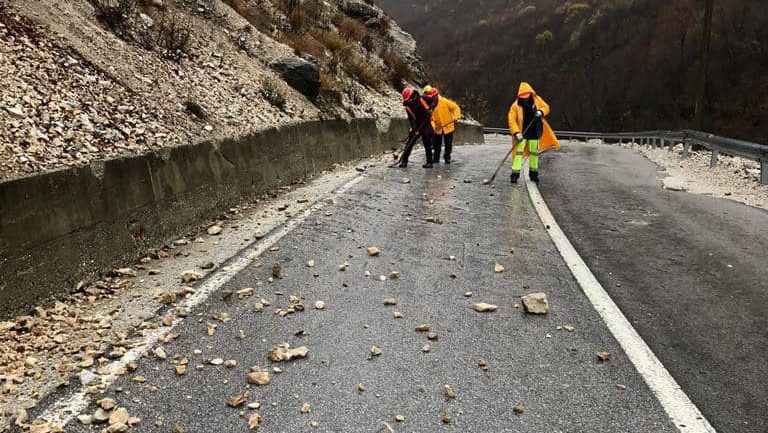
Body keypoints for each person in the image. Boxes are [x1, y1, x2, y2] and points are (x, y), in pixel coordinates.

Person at [507, 82, 559, 183]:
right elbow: (511, 120)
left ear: (531, 94)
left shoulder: (537, 100)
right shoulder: (515, 106)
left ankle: (533, 174)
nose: (525, 98)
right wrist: (516, 132)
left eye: (526, 96)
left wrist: (541, 112)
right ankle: (515, 175)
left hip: (535, 132)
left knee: (534, 154)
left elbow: (546, 107)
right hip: (522, 134)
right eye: (523, 97)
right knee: (518, 154)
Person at [399, 88, 435, 168]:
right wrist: (414, 129)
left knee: (427, 143)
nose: (409, 101)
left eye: (409, 99)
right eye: (407, 100)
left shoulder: (423, 98)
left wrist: (431, 108)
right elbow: (411, 118)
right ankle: (404, 161)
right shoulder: (407, 105)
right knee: (410, 143)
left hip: (426, 123)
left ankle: (429, 162)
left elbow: (434, 100)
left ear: (412, 95)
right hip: (416, 124)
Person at [427, 88, 461, 164]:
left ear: (436, 95)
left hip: (448, 127)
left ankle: (447, 158)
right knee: (436, 145)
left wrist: (456, 116)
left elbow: (455, 107)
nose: (432, 99)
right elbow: (431, 118)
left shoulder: (444, 101)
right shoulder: (430, 105)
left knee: (448, 144)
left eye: (433, 97)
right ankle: (436, 159)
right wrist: (433, 126)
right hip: (437, 128)